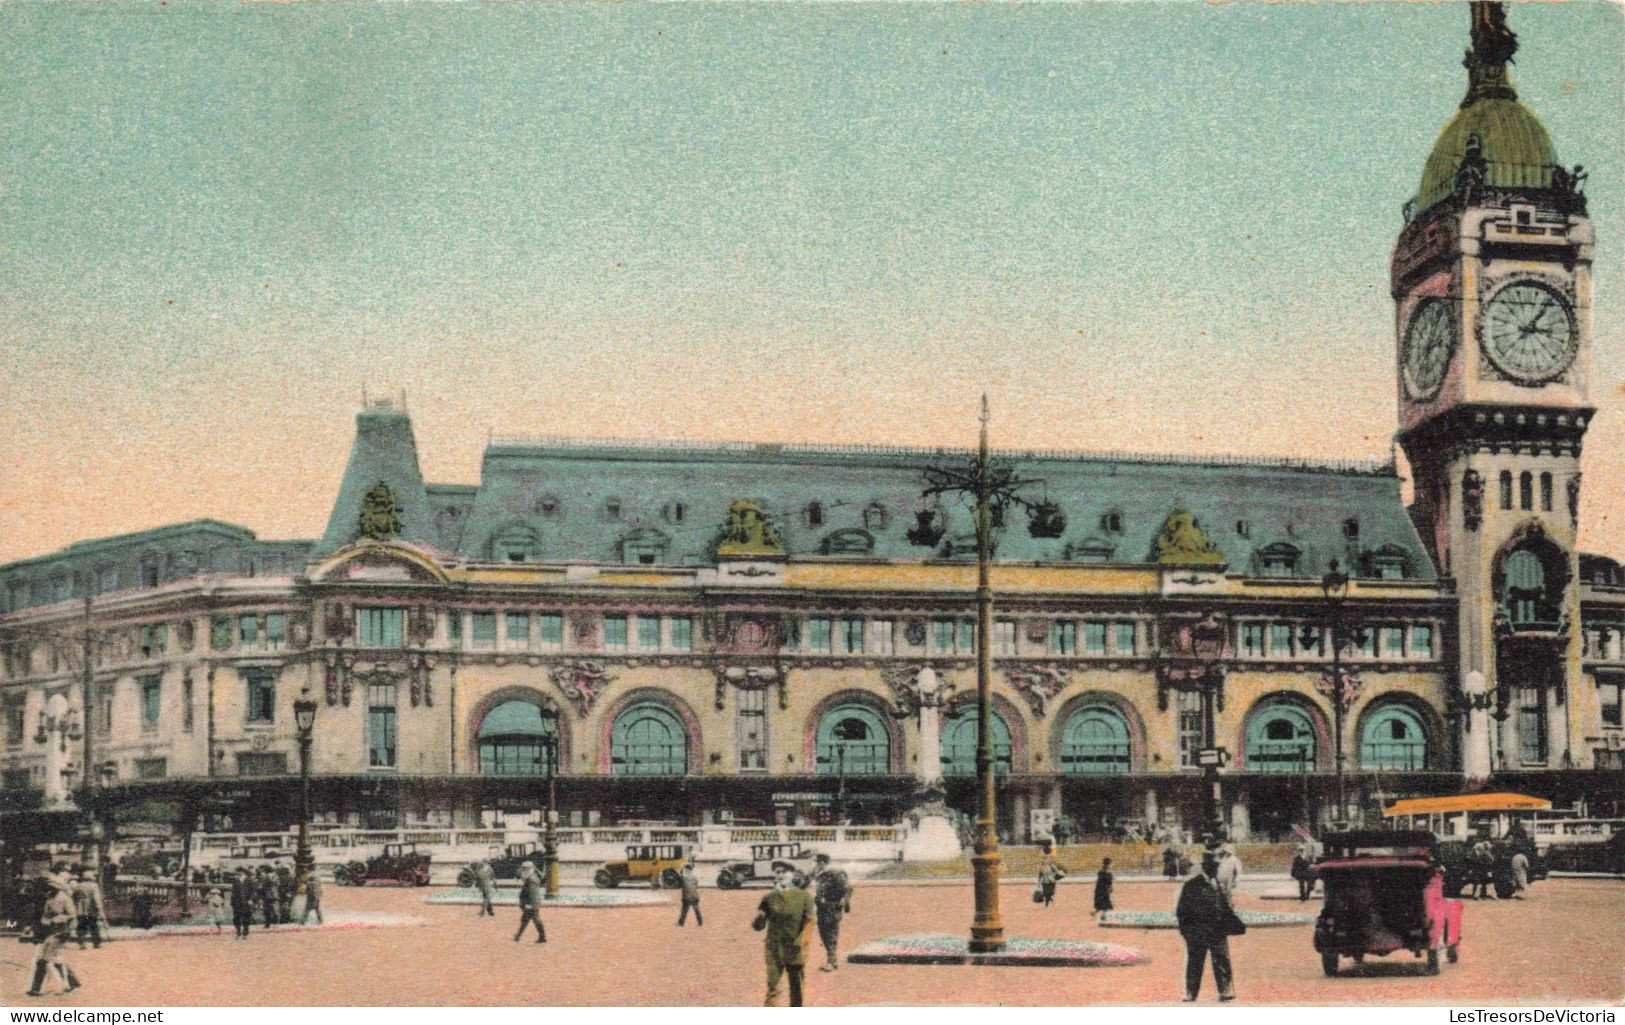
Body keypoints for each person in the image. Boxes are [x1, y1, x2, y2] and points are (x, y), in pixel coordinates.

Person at [1175, 849, 1237, 1003]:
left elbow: (1222, 906)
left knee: (1222, 961)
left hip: (1217, 931)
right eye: (1213, 866)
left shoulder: (1217, 883)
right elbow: (1182, 911)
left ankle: (1225, 991)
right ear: (1205, 866)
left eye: (1217, 865)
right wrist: (1188, 933)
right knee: (1195, 963)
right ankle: (1191, 993)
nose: (1216, 868)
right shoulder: (1192, 885)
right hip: (1198, 932)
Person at [753, 861, 813, 1007]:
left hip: (795, 947)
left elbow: (809, 922)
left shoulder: (804, 897)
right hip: (773, 948)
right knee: (773, 986)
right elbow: (758, 926)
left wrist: (802, 942)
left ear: (792, 874)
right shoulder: (768, 898)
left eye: (784, 872)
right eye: (777, 872)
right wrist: (759, 919)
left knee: (796, 987)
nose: (780, 875)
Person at [26, 872, 80, 997]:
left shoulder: (64, 898)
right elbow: (46, 914)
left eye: (49, 888)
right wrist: (45, 921)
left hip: (61, 932)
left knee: (43, 960)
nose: (47, 891)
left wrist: (57, 919)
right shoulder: (50, 898)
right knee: (55, 959)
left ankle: (35, 989)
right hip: (51, 931)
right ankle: (73, 982)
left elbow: (72, 915)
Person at [810, 852, 850, 971]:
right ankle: (833, 960)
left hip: (832, 908)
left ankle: (831, 962)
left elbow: (848, 889)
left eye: (817, 863)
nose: (816, 865)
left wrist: (842, 903)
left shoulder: (835, 873)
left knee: (831, 934)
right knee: (824, 934)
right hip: (822, 908)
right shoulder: (820, 875)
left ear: (822, 863)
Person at [71, 866, 104, 950]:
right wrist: (99, 909)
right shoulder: (94, 886)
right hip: (91, 909)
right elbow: (96, 899)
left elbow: (73, 897)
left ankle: (81, 943)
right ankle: (96, 943)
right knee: (94, 926)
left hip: (80, 909)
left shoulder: (78, 886)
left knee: (81, 926)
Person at [514, 861, 546, 943]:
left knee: (533, 919)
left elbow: (532, 893)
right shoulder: (532, 876)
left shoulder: (531, 879)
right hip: (532, 902)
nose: (522, 871)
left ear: (527, 869)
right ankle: (518, 935)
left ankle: (542, 937)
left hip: (531, 903)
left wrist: (529, 904)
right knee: (527, 919)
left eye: (523, 869)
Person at [1037, 841, 1066, 907]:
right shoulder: (1044, 862)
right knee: (1047, 892)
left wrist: (1059, 873)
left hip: (1050, 879)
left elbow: (1056, 870)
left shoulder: (1051, 861)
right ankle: (1047, 903)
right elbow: (1041, 872)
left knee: (1050, 892)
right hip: (1046, 879)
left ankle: (1048, 899)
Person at [230, 868, 254, 939]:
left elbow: (252, 891)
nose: (239, 873)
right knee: (237, 917)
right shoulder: (235, 880)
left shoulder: (249, 880)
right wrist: (232, 901)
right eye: (238, 872)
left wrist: (251, 899)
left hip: (246, 901)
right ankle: (238, 932)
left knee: (246, 917)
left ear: (243, 872)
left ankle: (245, 933)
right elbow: (233, 892)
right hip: (237, 902)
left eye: (240, 872)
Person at [677, 862, 703, 927]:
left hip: (687, 897)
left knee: (684, 910)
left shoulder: (683, 877)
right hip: (695, 895)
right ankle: (700, 921)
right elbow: (696, 885)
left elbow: (679, 883)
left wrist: (681, 871)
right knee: (696, 909)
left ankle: (681, 922)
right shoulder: (695, 877)